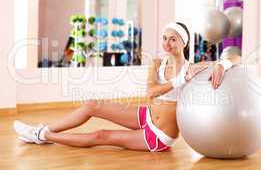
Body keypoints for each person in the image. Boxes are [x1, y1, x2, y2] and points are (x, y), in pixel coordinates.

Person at [13, 22, 241, 152]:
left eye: (173, 39)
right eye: (164, 38)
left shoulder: (194, 66)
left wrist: (222, 63)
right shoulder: (158, 63)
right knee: (92, 105)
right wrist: (181, 79)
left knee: (101, 135)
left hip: (160, 134)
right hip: (147, 114)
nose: (167, 43)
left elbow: (238, 59)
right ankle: (41, 129)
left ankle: (43, 135)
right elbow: (150, 93)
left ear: (184, 42)